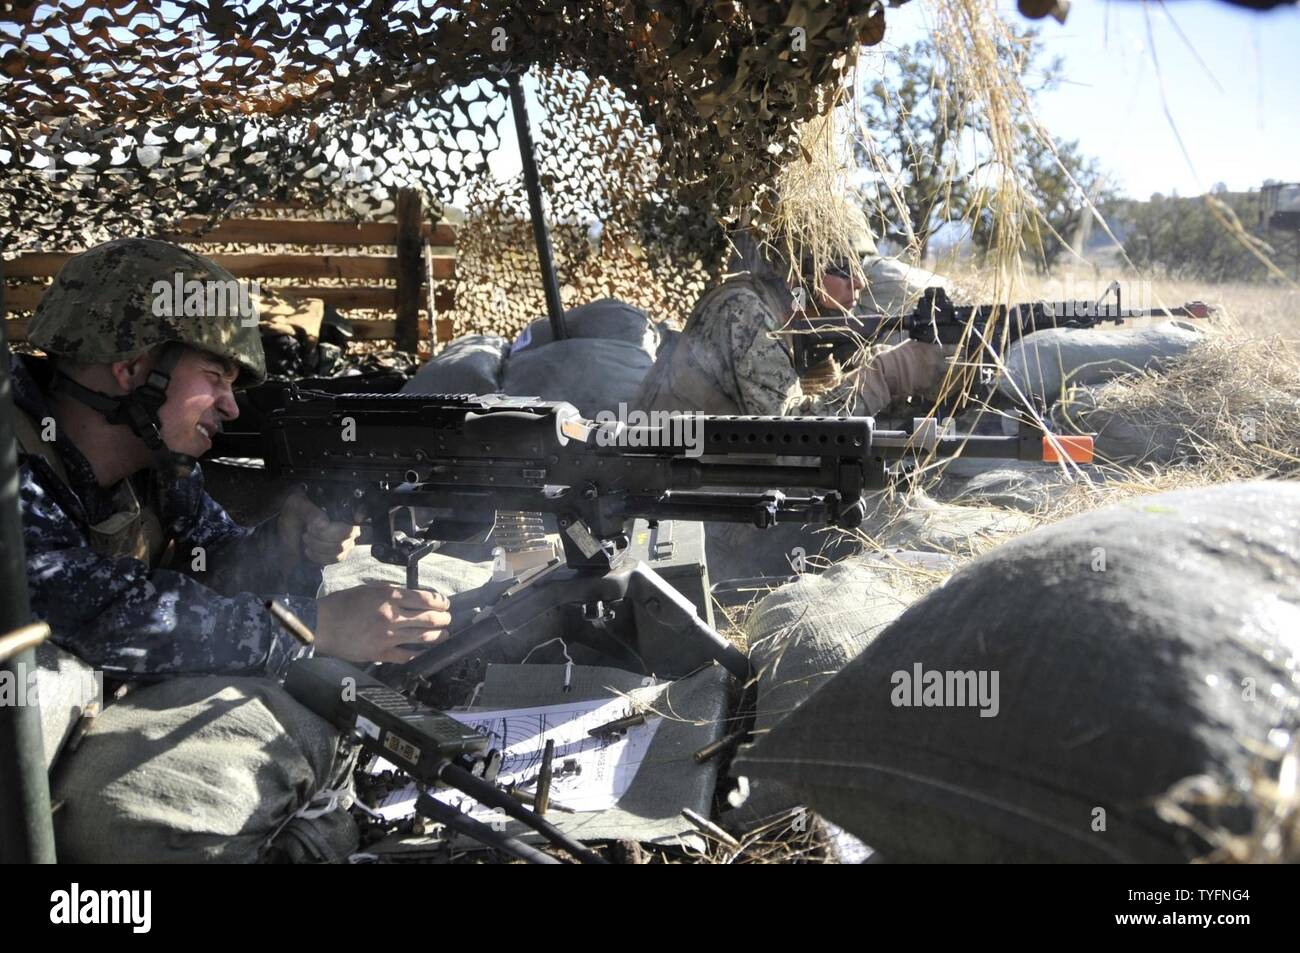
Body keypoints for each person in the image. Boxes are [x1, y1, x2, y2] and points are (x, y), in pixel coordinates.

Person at [15, 238, 450, 680]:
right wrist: (314, 627)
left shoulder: (160, 464)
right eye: (214, 377)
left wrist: (281, 543)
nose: (232, 407)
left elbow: (216, 561)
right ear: (131, 367)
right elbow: (92, 614)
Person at [636, 230, 948, 418]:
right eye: (843, 268)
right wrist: (888, 373)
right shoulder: (744, 312)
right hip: (674, 484)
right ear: (802, 272)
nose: (860, 283)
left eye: (860, 268)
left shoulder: (800, 316)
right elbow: (793, 438)